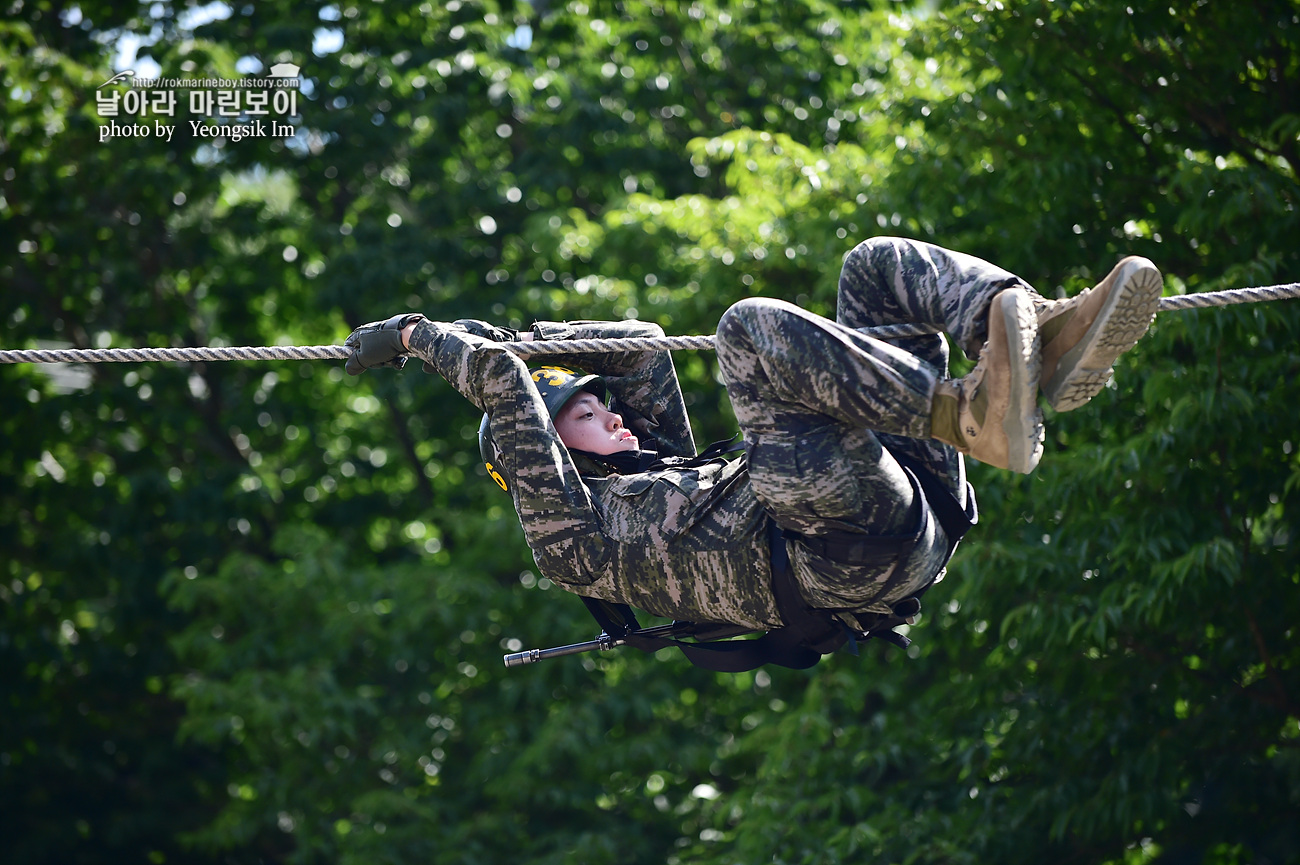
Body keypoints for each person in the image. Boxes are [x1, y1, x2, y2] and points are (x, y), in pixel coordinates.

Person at [344, 237, 1161, 650]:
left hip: (895, 499)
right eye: (589, 414)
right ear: (549, 454)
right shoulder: (571, 538)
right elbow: (499, 386)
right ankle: (970, 411)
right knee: (746, 332)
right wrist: (419, 335)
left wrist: (527, 338)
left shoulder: (652, 459)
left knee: (872, 268)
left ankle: (1033, 333)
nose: (617, 415)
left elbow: (642, 345)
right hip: (834, 557)